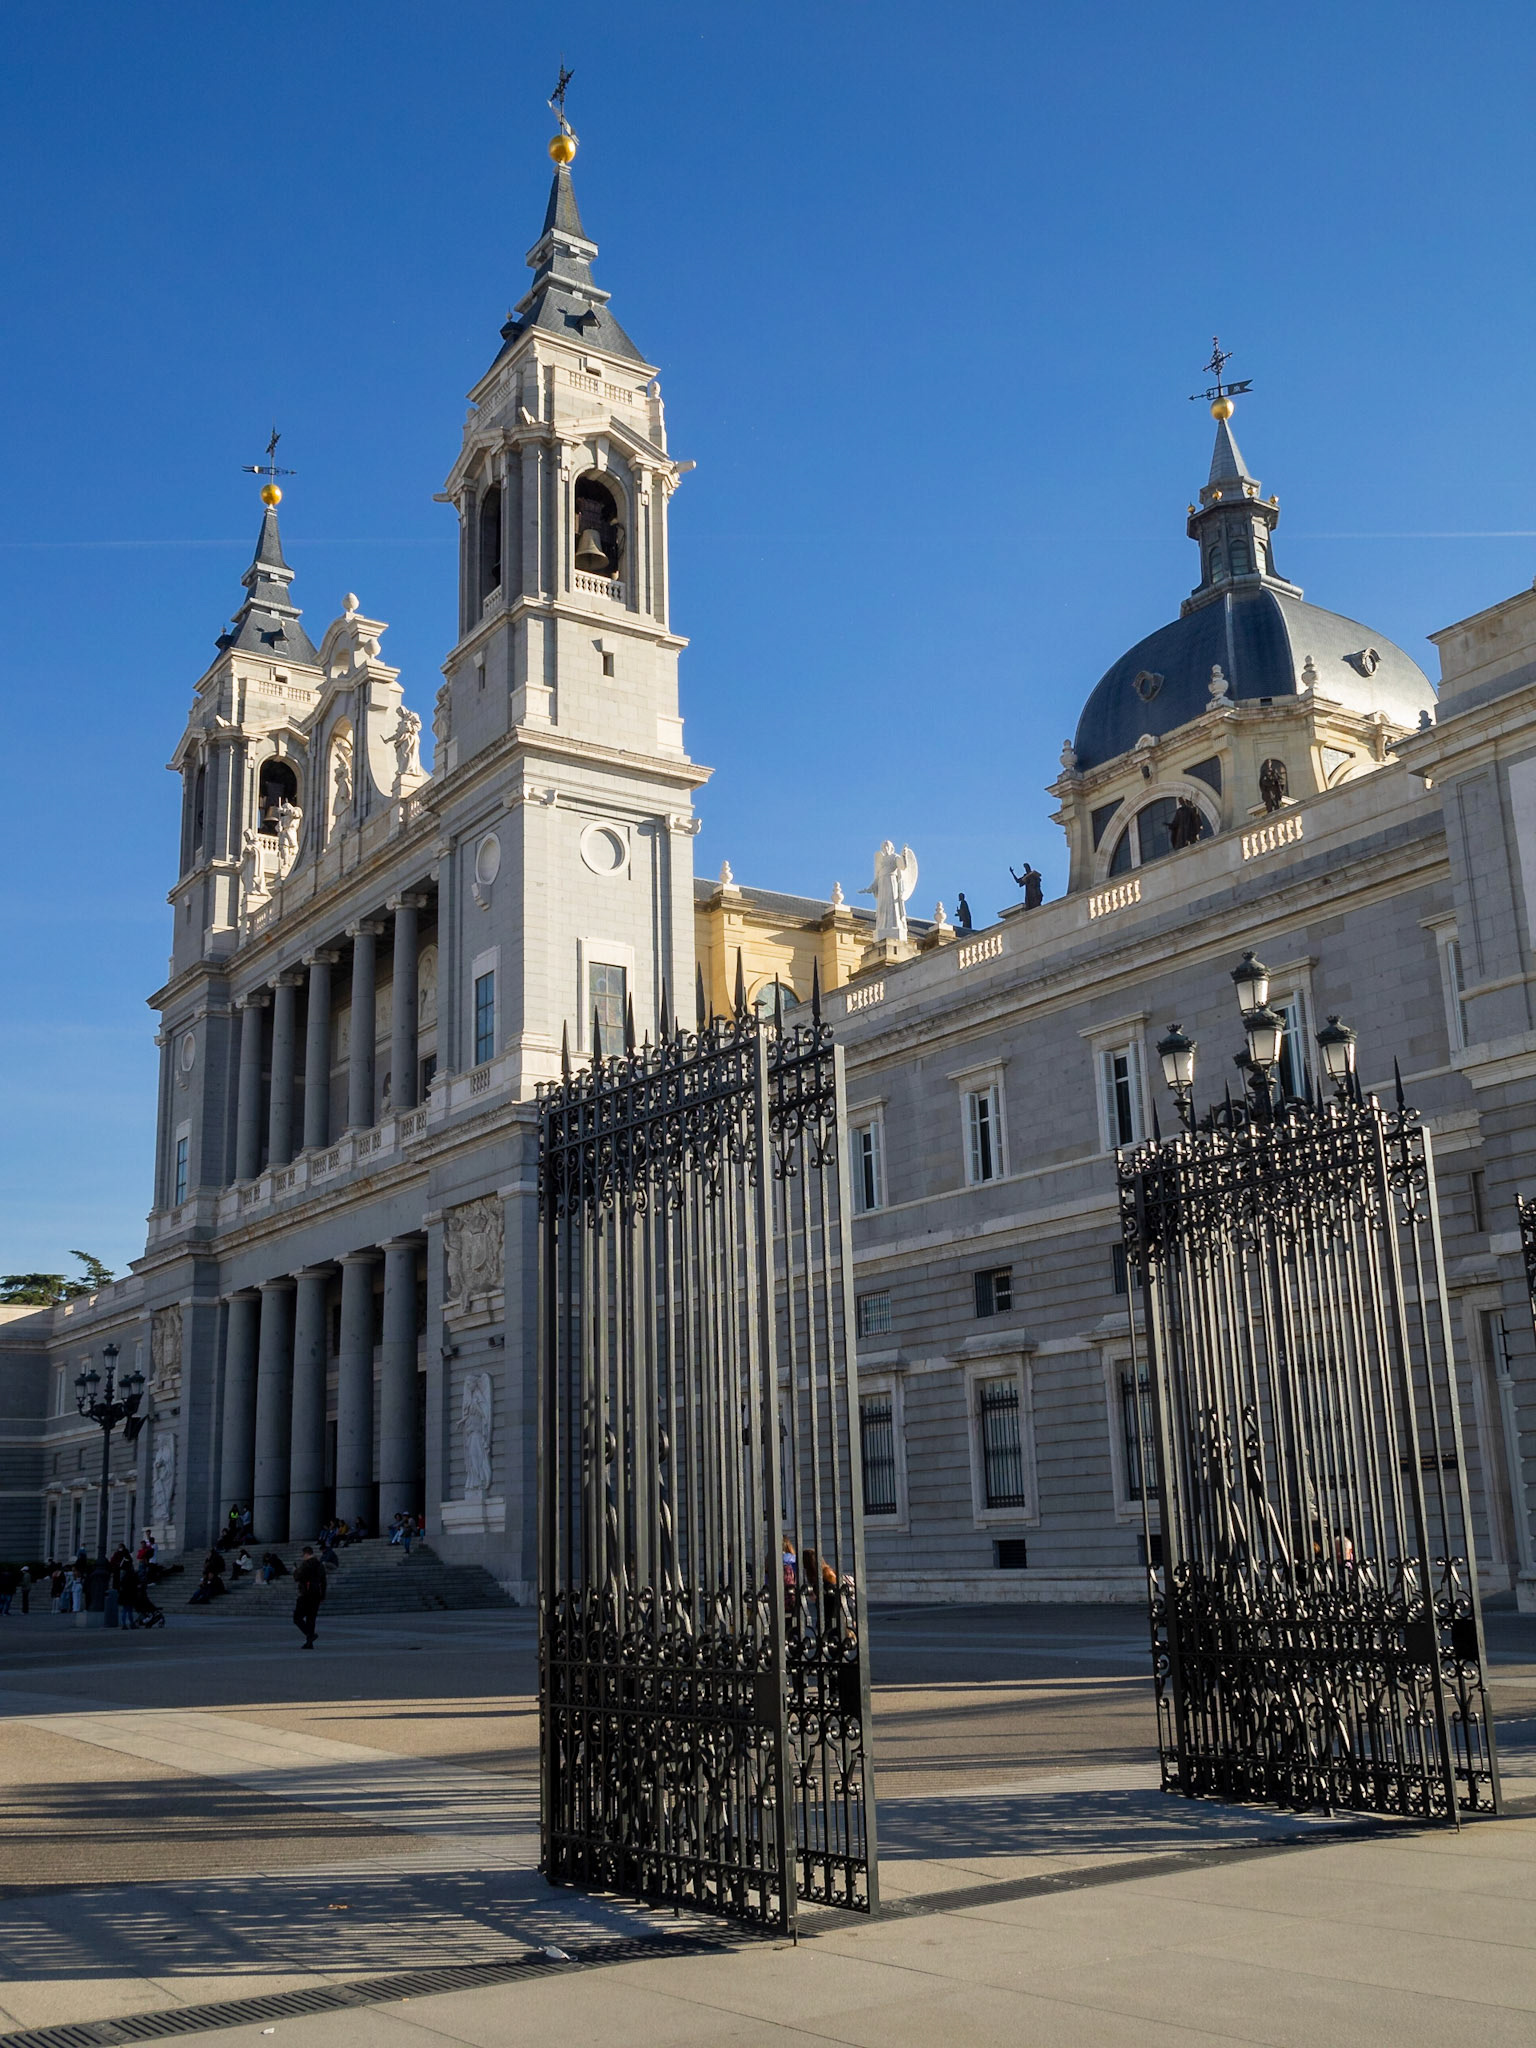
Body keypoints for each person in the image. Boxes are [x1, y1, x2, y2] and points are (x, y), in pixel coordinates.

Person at [292, 1545, 326, 1649]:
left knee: (297, 1617)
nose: (302, 1557)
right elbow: (324, 1581)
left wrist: (295, 1570)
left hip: (306, 1594)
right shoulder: (319, 1564)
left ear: (306, 1554)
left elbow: (298, 1577)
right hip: (316, 1594)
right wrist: (322, 1595)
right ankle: (309, 1643)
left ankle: (310, 1635)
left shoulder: (306, 1564)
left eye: (303, 1555)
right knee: (311, 1618)